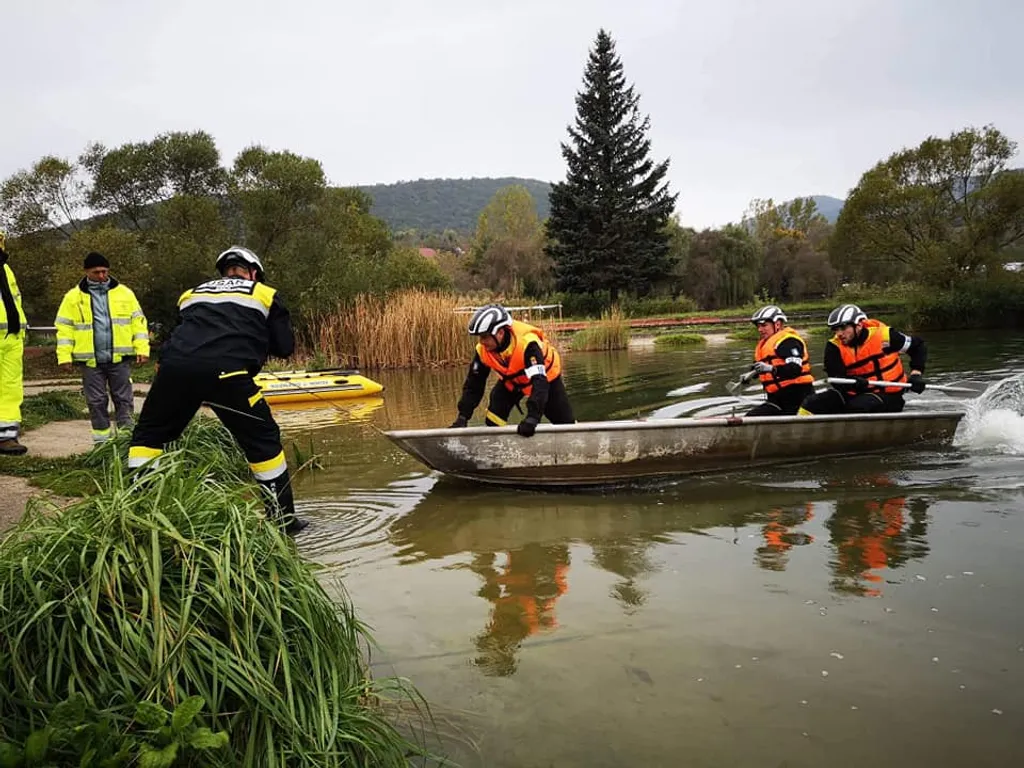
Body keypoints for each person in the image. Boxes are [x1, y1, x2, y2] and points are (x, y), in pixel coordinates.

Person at [127, 246, 307, 534]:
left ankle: (135, 513)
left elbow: (180, 335)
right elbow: (284, 347)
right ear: (254, 273)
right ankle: (283, 521)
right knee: (263, 440)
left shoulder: (191, 295)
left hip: (175, 372)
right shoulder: (265, 294)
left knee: (148, 435)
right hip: (229, 373)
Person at [54, 251, 149, 444]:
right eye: (97, 272)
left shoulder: (125, 293)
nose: (102, 276)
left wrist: (142, 348)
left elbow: (138, 323)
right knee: (96, 402)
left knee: (124, 400)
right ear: (86, 271)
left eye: (105, 271)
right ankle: (102, 442)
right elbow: (64, 328)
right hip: (91, 361)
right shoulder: (73, 297)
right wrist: (64, 356)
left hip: (119, 359)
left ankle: (125, 440)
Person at [449, 304, 575, 437]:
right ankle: (497, 449)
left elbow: (540, 383)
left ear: (500, 333)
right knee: (495, 409)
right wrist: (462, 417)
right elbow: (473, 386)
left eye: (485, 337)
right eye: (479, 337)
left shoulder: (528, 344)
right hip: (513, 382)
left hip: (546, 381)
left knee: (565, 424)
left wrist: (532, 418)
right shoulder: (482, 351)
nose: (482, 342)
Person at [798, 303, 926, 415]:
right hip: (854, 392)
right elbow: (836, 378)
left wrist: (916, 373)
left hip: (889, 395)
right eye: (836, 329)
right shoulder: (834, 347)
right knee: (811, 402)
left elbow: (918, 346)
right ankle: (798, 432)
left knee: (859, 406)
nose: (839, 334)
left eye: (843, 328)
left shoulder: (885, 336)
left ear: (858, 325)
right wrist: (852, 382)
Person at [745, 305, 815, 416]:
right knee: (752, 416)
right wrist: (750, 374)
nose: (760, 329)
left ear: (777, 324)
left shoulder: (789, 341)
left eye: (764, 325)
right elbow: (762, 367)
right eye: (758, 326)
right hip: (777, 399)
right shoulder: (764, 345)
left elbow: (795, 369)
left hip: (798, 398)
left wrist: (770, 368)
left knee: (754, 417)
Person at [0, 229, 28, 456]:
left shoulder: (6, 269)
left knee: (11, 387)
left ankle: (7, 436)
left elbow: (15, 299)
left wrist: (20, 327)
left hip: (11, 336)